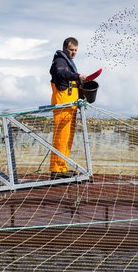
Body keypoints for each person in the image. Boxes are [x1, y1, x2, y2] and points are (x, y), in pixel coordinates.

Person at [49, 37, 86, 180]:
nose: (73, 53)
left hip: (71, 106)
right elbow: (60, 73)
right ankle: (56, 170)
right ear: (65, 48)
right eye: (71, 50)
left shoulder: (69, 63)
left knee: (67, 138)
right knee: (61, 137)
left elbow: (72, 82)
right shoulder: (59, 61)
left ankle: (62, 167)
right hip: (62, 105)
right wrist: (77, 76)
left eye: (76, 50)